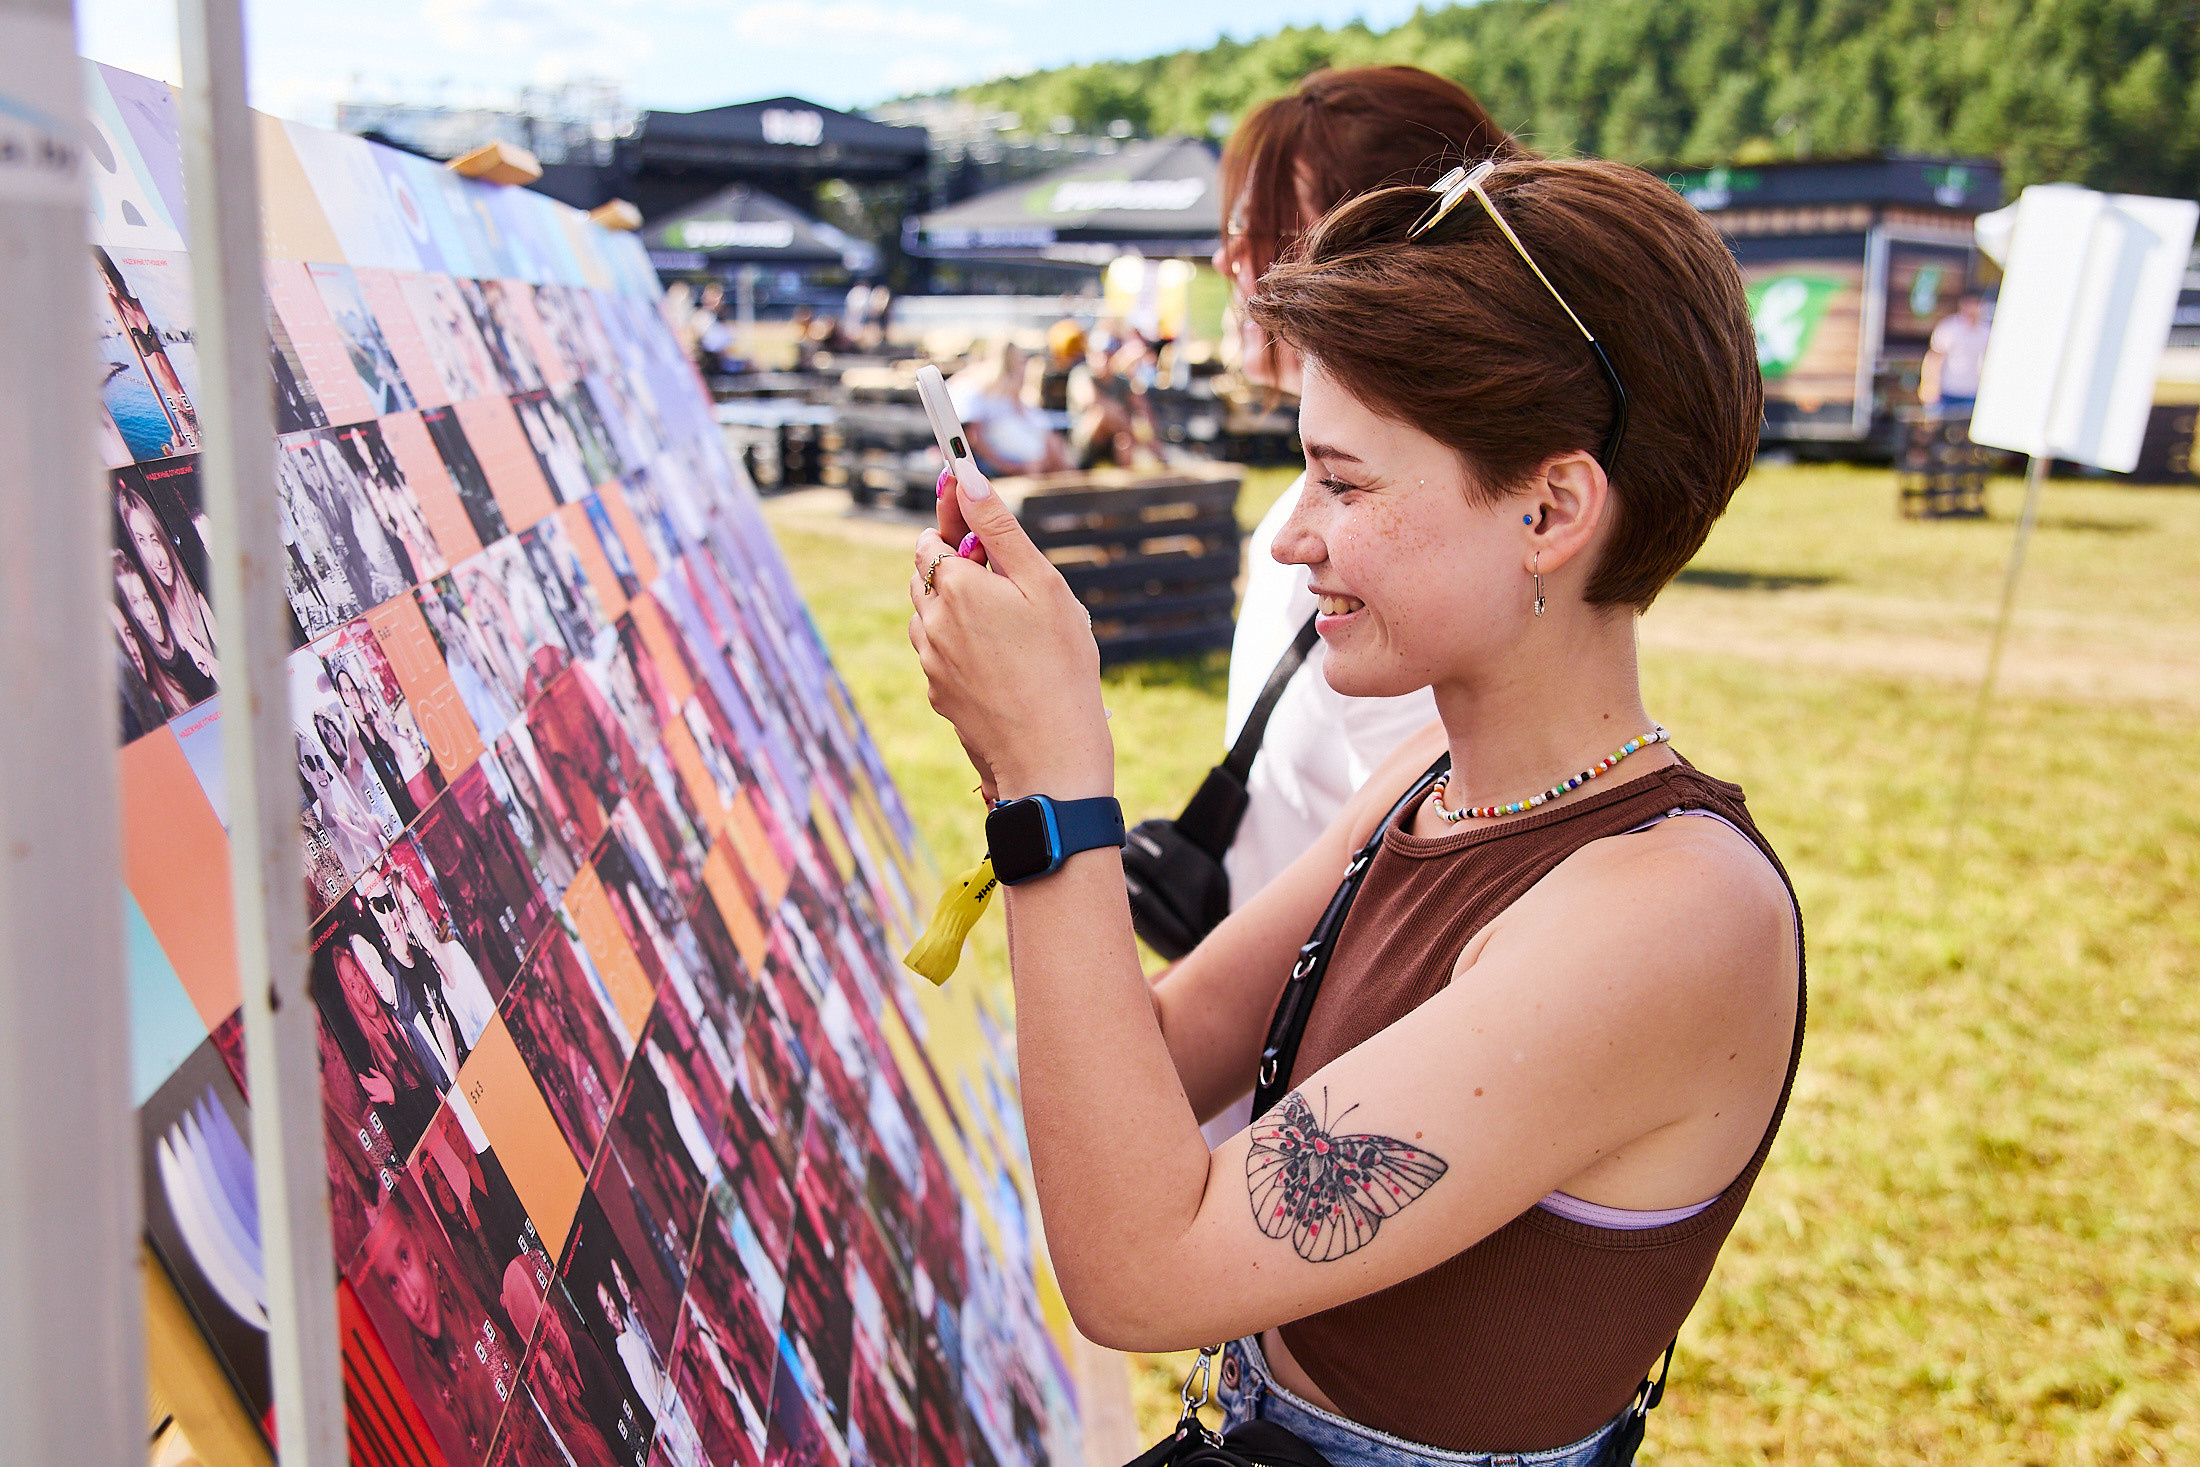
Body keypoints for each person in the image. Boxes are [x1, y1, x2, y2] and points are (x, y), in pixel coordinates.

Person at [914, 157, 1802, 1464]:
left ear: (1550, 509)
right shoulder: (1428, 782)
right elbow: (1142, 1069)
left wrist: (1059, 787)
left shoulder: (1674, 917)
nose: (1293, 535)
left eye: (1345, 481)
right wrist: (1025, 759)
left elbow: (1138, 1275)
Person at [1200, 64, 1522, 1141]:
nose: (1226, 265)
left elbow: (1426, 927)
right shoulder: (1339, 510)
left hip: (1310, 1141)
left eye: (1255, 235)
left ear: (1372, 239)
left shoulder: (1415, 566)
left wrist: (1046, 794)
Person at [949, 341, 1072, 479]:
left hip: (1011, 445)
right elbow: (975, 438)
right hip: (1000, 450)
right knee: (1041, 456)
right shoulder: (980, 391)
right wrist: (1006, 466)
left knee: (1051, 448)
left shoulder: (1007, 393)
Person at [1921, 288, 1992, 420]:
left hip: (1973, 392)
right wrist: (1929, 387)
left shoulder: (1987, 332)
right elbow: (1934, 358)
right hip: (1947, 390)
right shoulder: (1948, 328)